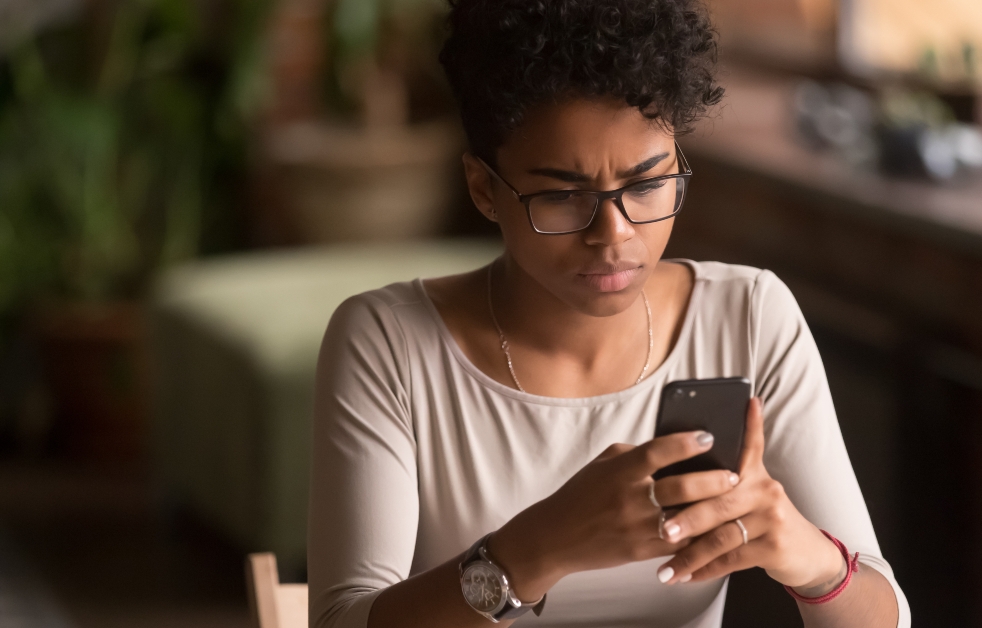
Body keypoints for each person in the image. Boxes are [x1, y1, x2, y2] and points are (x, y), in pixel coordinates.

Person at [307, 0, 910, 626]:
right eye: (565, 196)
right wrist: (539, 547)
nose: (613, 235)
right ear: (484, 188)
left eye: (647, 184)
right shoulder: (389, 342)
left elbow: (884, 613)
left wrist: (809, 559)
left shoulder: (748, 318)